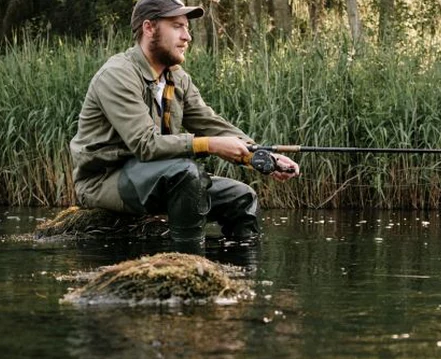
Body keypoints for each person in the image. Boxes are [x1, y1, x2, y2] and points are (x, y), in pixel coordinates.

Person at [69, 0, 299, 248]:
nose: (187, 37)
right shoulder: (117, 74)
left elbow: (211, 124)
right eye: (177, 26)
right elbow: (146, 145)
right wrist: (210, 145)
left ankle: (240, 277)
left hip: (159, 177)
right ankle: (187, 264)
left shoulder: (177, 77)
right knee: (186, 172)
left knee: (241, 197)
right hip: (104, 181)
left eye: (187, 28)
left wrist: (261, 156)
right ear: (149, 28)